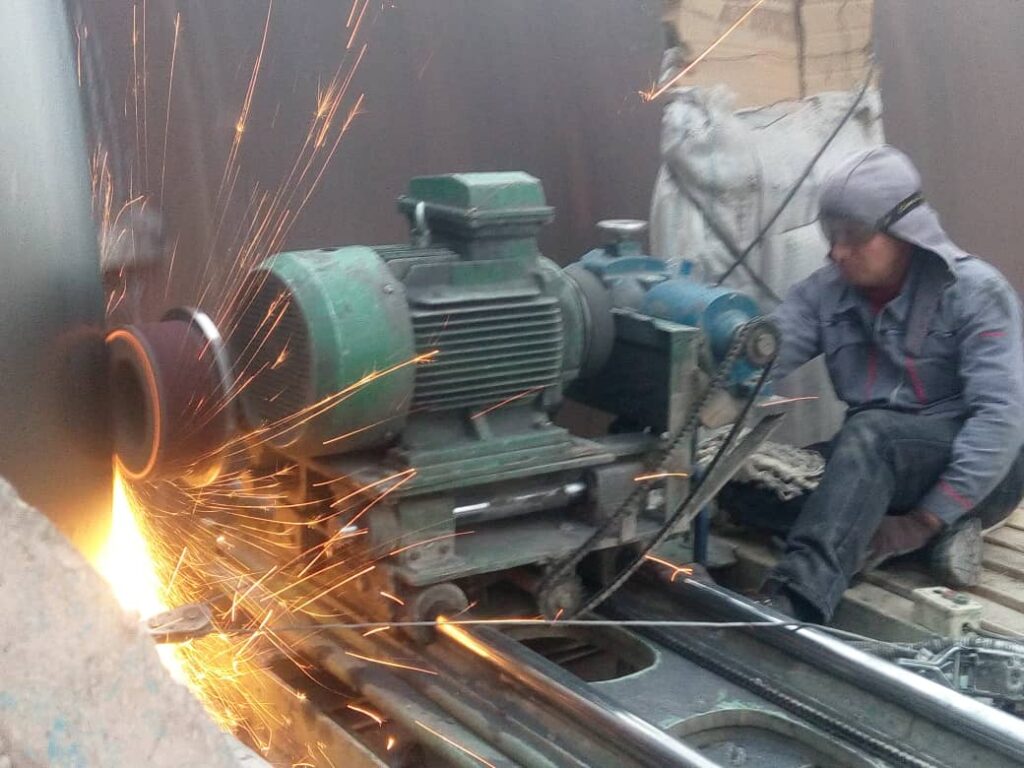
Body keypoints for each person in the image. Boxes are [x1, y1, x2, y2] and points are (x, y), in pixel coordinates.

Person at [745, 145, 1024, 624]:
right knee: (750, 483)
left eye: (854, 236)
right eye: (832, 236)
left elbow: (1000, 420)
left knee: (872, 432)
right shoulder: (824, 293)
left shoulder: (977, 292)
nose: (838, 252)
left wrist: (921, 521)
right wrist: (715, 371)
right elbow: (761, 355)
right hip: (874, 466)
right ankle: (915, 540)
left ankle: (795, 603)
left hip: (979, 471)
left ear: (904, 231)